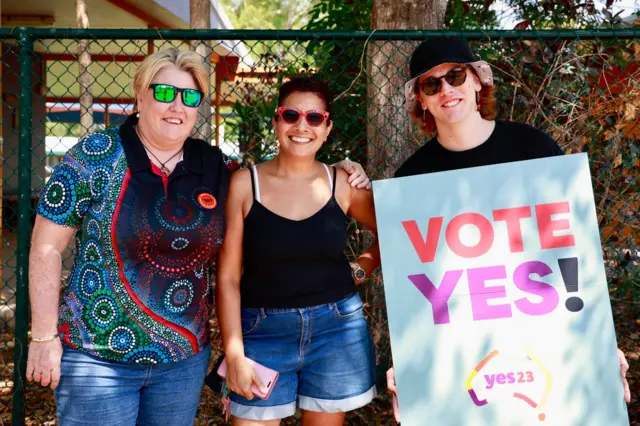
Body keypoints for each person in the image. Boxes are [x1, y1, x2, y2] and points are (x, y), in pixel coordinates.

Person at [26, 48, 371, 426]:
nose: (177, 106)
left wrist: (342, 169)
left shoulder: (217, 167)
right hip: (98, 358)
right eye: (164, 93)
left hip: (181, 360)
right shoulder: (95, 156)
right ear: (140, 96)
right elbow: (46, 247)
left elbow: (287, 180)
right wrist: (43, 337)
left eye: (189, 96)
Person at [386, 36, 632, 423]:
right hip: (464, 369)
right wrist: (410, 369)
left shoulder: (533, 149)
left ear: (477, 81)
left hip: (547, 351)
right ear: (422, 100)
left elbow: (571, 257)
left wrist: (602, 342)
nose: (446, 90)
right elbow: (418, 295)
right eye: (432, 85)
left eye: (455, 76)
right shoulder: (412, 179)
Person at [217, 76, 380, 426]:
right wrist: (234, 354)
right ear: (276, 121)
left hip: (335, 330)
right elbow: (229, 278)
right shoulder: (246, 184)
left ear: (327, 127)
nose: (301, 126)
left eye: (314, 118)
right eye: (290, 115)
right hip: (262, 331)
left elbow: (395, 230)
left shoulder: (343, 185)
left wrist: (362, 267)